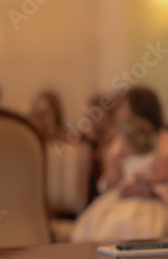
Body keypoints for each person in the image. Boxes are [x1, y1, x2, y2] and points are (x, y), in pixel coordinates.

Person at [71, 87, 168, 242]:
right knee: (106, 227)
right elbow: (109, 182)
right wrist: (116, 167)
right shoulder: (120, 142)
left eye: (123, 106)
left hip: (154, 201)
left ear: (139, 108)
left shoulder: (163, 140)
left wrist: (148, 191)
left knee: (134, 223)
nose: (118, 112)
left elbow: (164, 177)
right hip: (121, 197)